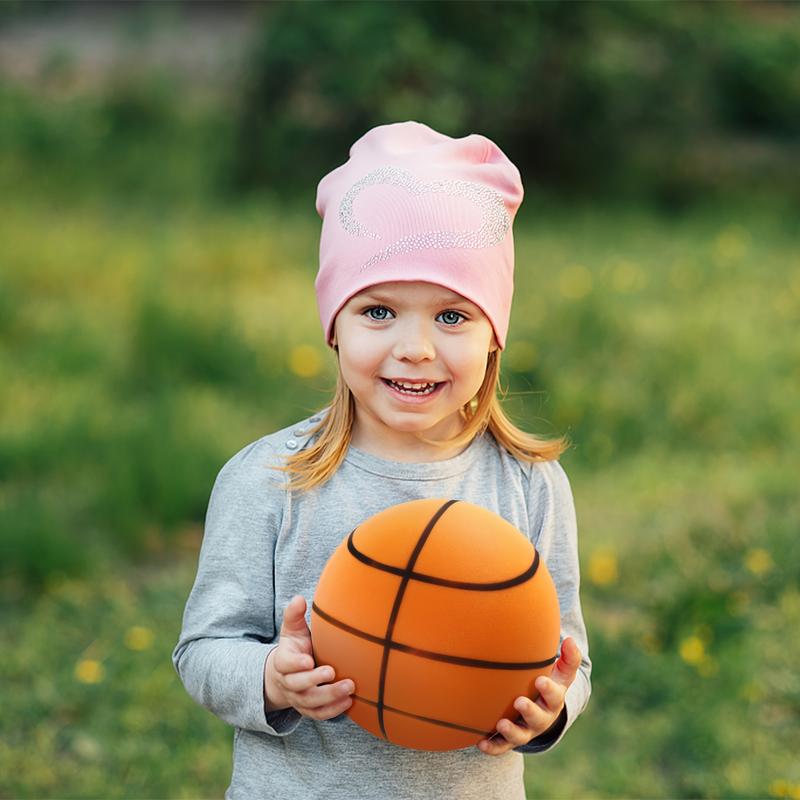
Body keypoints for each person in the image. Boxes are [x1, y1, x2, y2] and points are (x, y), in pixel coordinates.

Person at [173, 120, 591, 800]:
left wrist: (549, 709)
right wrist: (270, 678)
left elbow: (567, 652)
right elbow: (204, 648)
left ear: (495, 335)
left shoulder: (529, 485)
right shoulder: (269, 479)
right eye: (378, 311)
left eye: (453, 316)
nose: (416, 347)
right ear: (334, 324)